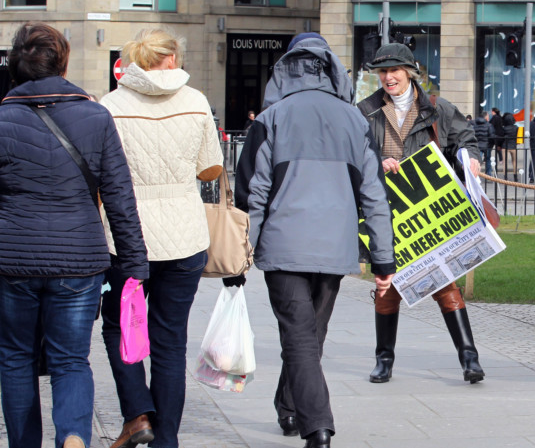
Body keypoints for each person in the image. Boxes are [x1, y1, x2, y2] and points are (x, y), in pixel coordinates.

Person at [234, 33, 396, 448]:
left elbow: (253, 192)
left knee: (300, 335)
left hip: (283, 245)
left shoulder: (271, 119)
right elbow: (374, 196)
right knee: (310, 334)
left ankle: (316, 425)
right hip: (334, 248)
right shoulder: (355, 120)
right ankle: (291, 408)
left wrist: (241, 252)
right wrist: (383, 261)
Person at [0, 22, 149, 448]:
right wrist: (135, 264)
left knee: (15, 359)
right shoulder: (96, 116)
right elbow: (121, 197)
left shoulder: (3, 118)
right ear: (62, 62)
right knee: (70, 361)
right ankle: (72, 437)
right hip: (78, 261)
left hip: (14, 260)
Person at [99, 28, 224, 448]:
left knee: (120, 328)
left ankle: (137, 415)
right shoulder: (196, 101)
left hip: (126, 235)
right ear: (172, 59)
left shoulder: (112, 105)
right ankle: (166, 439)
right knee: (170, 341)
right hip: (184, 235)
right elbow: (211, 169)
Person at [356, 43, 486, 385]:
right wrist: (374, 162)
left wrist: (470, 158)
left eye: (394, 70)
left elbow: (466, 139)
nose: (388, 77)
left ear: (410, 72)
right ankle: (383, 359)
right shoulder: (364, 111)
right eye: (382, 72)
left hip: (430, 212)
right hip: (385, 213)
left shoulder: (437, 108)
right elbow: (352, 155)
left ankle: (469, 358)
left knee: (445, 282)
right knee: (387, 286)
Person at [501, 112, 519, 181]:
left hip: (505, 146)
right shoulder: (516, 127)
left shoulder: (504, 128)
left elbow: (502, 137)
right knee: (514, 161)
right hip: (513, 146)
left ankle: (505, 177)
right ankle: (515, 176)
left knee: (505, 162)